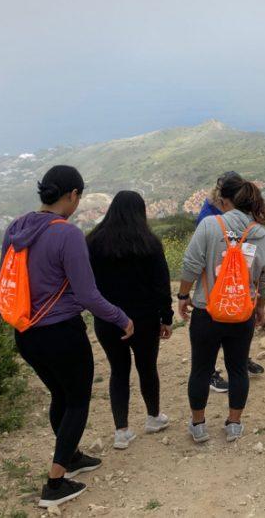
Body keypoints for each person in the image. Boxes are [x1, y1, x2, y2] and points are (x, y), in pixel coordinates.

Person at [0, 166, 134, 509]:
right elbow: (89, 296)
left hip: (27, 335)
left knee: (60, 395)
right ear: (73, 195)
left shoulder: (16, 229)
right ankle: (55, 481)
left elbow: (3, 285)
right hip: (62, 333)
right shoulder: (68, 235)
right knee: (77, 400)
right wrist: (122, 319)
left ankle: (72, 455)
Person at [178, 174, 265, 443]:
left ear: (226, 202)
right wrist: (259, 307)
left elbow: (190, 265)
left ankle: (198, 426)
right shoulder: (264, 236)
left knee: (200, 368)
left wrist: (183, 295)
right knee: (237, 368)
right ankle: (234, 424)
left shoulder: (210, 225)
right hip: (242, 313)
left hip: (206, 311)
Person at [86, 191, 174, 450]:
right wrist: (166, 318)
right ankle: (153, 417)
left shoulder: (93, 242)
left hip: (108, 319)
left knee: (118, 371)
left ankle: (121, 431)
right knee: (148, 368)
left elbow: (87, 284)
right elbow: (161, 284)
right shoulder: (149, 243)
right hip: (145, 319)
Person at [195, 171, 265, 392]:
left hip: (236, 278)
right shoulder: (208, 216)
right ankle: (213, 373)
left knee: (236, 325)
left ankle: (240, 360)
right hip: (217, 283)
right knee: (218, 330)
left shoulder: (233, 209)